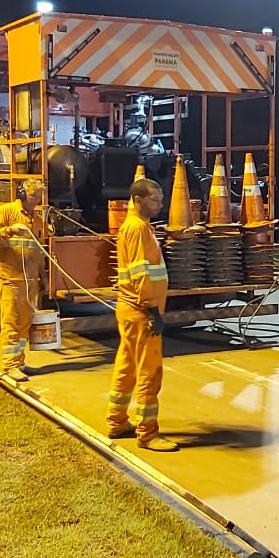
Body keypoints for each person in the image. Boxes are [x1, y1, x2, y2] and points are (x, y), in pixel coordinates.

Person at [106, 178, 177, 452]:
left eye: (161, 199)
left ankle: (117, 421)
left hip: (131, 309)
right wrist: (152, 311)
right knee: (150, 371)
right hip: (140, 310)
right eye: (155, 199)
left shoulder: (139, 227)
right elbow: (140, 274)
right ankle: (148, 433)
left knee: (127, 368)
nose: (160, 204)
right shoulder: (137, 229)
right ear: (138, 200)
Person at [0, 178, 47, 383]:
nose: (36, 201)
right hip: (10, 276)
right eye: (33, 196)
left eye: (39, 197)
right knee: (11, 321)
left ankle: (19, 361)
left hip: (30, 280)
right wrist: (9, 230)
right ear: (22, 194)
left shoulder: (36, 220)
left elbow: (39, 251)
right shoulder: (7, 212)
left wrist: (43, 276)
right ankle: (10, 365)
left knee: (25, 322)